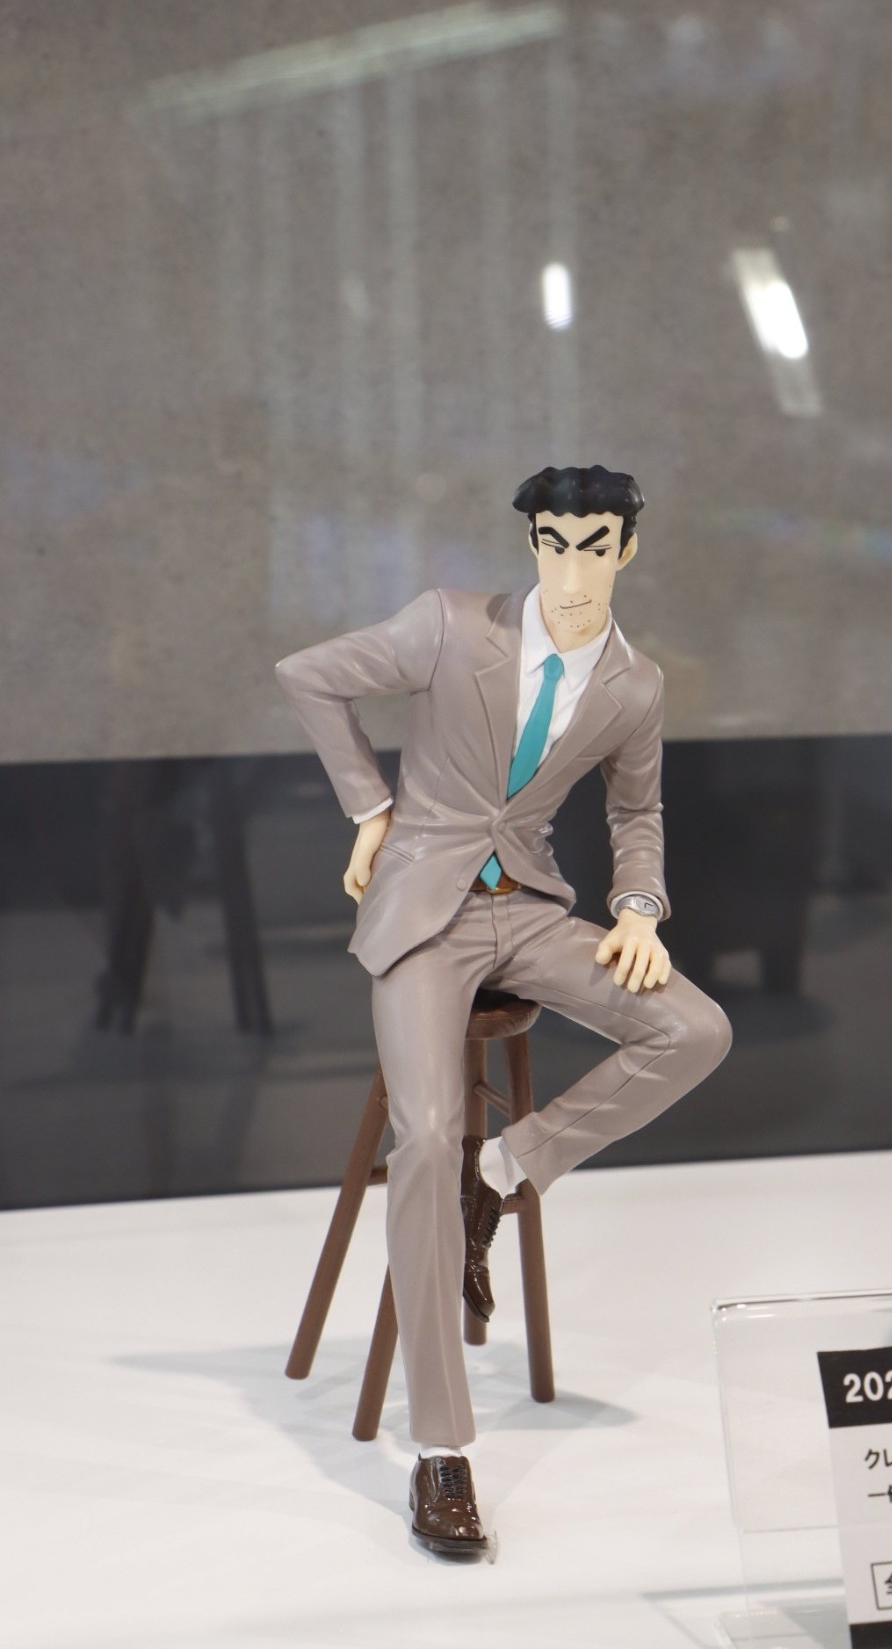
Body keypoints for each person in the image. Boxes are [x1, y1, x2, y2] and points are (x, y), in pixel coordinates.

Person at [276, 465, 731, 1554]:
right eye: (555, 541)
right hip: (422, 909)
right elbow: (309, 674)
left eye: (595, 543)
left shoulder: (634, 683)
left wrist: (638, 906)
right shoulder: (448, 624)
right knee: (427, 1134)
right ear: (532, 543)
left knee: (695, 1029)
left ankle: (507, 1168)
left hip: (527, 906)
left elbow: (637, 812)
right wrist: (371, 808)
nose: (573, 566)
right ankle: (442, 1447)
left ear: (627, 549)